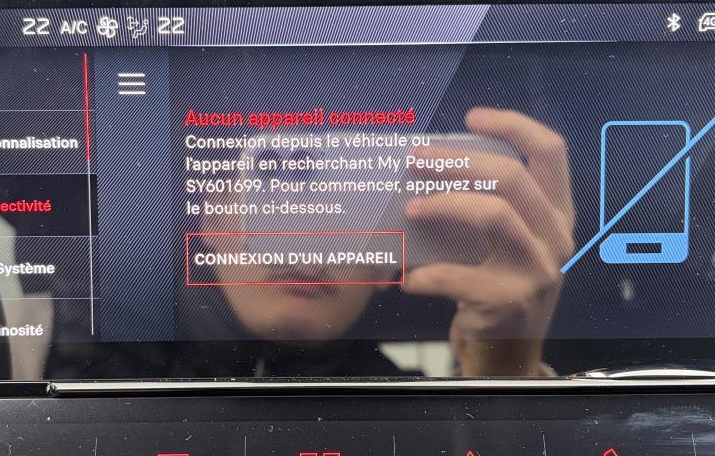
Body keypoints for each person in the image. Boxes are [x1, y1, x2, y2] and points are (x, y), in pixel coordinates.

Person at [185, 108, 575, 378]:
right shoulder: (139, 368)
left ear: (391, 261)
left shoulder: (421, 420)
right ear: (212, 217)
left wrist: (505, 371)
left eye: (358, 215)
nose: (311, 257)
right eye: (283, 203)